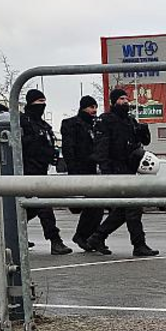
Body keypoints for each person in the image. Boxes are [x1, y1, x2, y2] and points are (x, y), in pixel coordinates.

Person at [84, 89, 158, 257]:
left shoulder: (131, 121)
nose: (125, 101)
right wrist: (106, 170)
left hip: (130, 168)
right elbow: (101, 147)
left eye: (126, 98)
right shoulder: (106, 120)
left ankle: (97, 237)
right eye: (121, 99)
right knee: (133, 208)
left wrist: (143, 129)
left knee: (124, 210)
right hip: (116, 169)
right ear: (114, 101)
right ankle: (139, 244)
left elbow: (144, 141)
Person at [19, 89, 72, 255]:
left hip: (41, 169)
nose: (42, 105)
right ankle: (55, 240)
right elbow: (22, 145)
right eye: (38, 102)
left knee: (33, 208)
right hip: (27, 170)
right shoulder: (22, 122)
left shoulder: (43, 125)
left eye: (44, 101)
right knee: (44, 206)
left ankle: (9, 233)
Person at [61, 95, 103, 251]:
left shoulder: (96, 125)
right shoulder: (72, 124)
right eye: (91, 107)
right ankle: (84, 235)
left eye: (95, 107)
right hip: (81, 169)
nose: (94, 110)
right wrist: (73, 170)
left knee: (97, 205)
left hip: (95, 169)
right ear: (83, 107)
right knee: (93, 204)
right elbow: (69, 148)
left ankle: (90, 236)